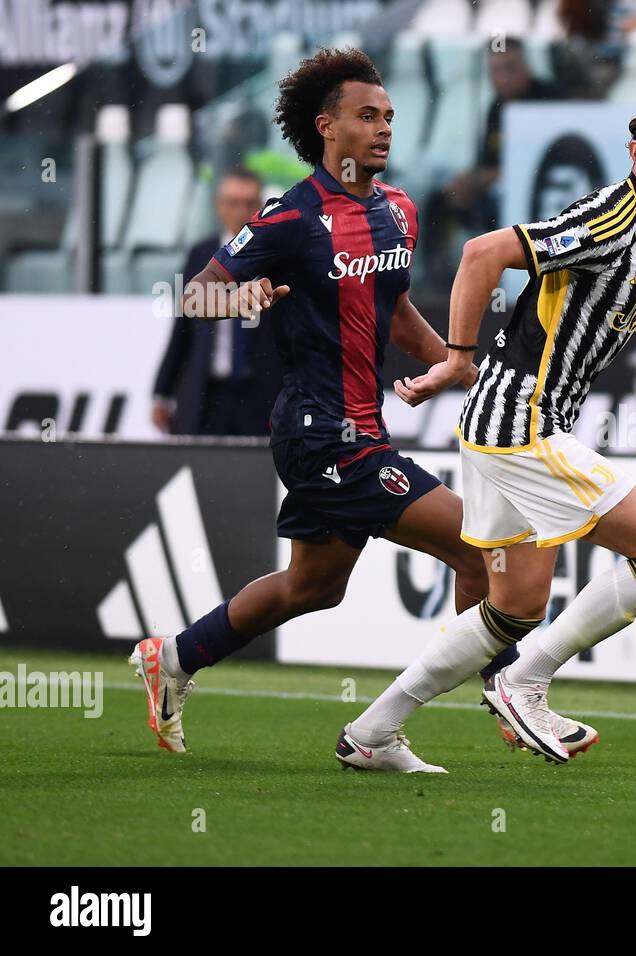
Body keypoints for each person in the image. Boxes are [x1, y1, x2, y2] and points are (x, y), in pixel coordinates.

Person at [127, 49, 577, 773]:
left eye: (390, 116)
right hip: (319, 434)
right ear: (326, 126)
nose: (383, 128)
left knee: (314, 587)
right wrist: (241, 298)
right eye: (367, 116)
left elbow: (392, 307)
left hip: (363, 428)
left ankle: (175, 655)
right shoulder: (292, 216)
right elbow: (193, 295)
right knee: (477, 548)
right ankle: (498, 691)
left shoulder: (398, 211)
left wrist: (455, 363)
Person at [341, 97, 636, 766]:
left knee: (512, 609)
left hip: (505, 426)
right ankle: (524, 681)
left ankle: (371, 733)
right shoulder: (608, 218)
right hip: (522, 422)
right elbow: (483, 254)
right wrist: (456, 355)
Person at [152, 168, 282, 437]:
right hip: (207, 392)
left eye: (249, 203)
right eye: (233, 203)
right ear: (219, 206)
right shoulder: (201, 255)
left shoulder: (279, 256)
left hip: (262, 391)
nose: (240, 211)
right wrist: (161, 392)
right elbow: (183, 328)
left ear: (260, 206)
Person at [424, 38, 560, 286]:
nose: (503, 77)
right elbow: (486, 160)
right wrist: (471, 180)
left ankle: (505, 280)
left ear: (526, 66)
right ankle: (438, 281)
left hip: (536, 191)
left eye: (510, 68)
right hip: (496, 186)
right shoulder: (496, 108)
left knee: (491, 206)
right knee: (439, 200)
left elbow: (550, 160)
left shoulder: (549, 99)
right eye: (496, 70)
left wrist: (487, 178)